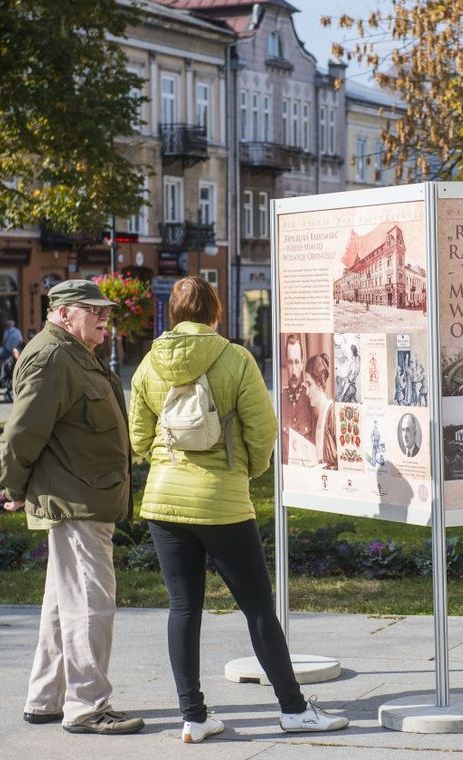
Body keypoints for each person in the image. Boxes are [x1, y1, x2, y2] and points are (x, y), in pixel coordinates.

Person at [129, 276, 349, 744]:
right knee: (258, 607)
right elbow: (263, 430)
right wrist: (244, 470)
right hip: (223, 501)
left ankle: (193, 717)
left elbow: (138, 437)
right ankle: (293, 709)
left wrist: (166, 460)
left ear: (174, 314)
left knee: (183, 607)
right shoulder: (235, 358)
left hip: (164, 501)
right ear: (215, 312)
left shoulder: (149, 363)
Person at [0, 279, 142, 736]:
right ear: (63, 313)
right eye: (94, 310)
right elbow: (23, 432)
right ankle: (87, 706)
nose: (104, 317)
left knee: (65, 603)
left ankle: (45, 699)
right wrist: (13, 484)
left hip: (84, 494)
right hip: (76, 500)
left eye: (106, 310)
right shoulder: (53, 356)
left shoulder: (75, 352)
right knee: (91, 604)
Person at [279, 333, 315, 463]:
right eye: (290, 363)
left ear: (302, 364)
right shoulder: (279, 399)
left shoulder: (311, 399)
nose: (294, 371)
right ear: (285, 363)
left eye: (297, 362)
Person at [303, 352, 338, 469]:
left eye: (309, 384)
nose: (307, 392)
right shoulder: (318, 417)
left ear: (319, 382)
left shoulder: (332, 414)